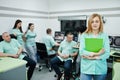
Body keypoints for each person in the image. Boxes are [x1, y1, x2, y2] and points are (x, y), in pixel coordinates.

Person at [79, 13, 110, 80]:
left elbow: (107, 54)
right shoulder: (84, 35)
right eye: (92, 22)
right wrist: (98, 53)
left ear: (100, 23)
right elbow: (81, 52)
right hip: (86, 68)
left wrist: (94, 57)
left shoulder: (104, 36)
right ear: (89, 23)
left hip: (100, 68)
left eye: (97, 21)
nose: (94, 24)